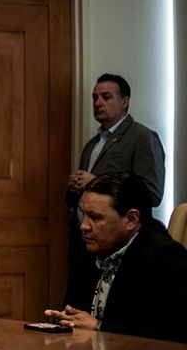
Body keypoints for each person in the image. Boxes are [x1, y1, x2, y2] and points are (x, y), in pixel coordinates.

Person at [46, 172, 187, 343]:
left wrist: (99, 327)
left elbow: (173, 335)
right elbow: (75, 313)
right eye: (83, 215)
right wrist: (63, 321)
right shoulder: (87, 251)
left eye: (95, 217)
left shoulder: (169, 260)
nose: (84, 226)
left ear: (131, 219)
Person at [66, 74, 165, 261]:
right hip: (83, 240)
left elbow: (152, 193)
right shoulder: (91, 145)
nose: (98, 102)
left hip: (118, 245)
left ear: (124, 102)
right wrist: (74, 188)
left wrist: (95, 181)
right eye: (95, 97)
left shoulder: (143, 137)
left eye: (106, 96)